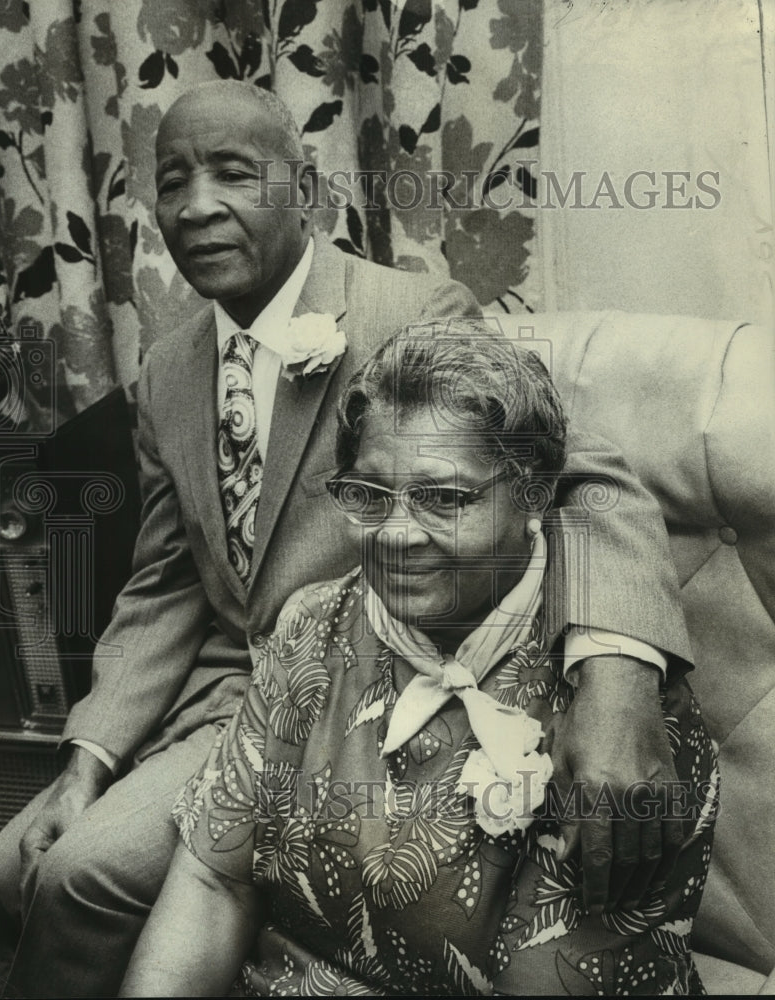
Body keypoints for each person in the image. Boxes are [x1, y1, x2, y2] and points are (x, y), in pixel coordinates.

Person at [0, 81, 693, 998]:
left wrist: (615, 680)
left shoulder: (414, 312)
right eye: (173, 182)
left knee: (81, 872)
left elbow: (586, 477)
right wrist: (88, 760)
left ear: (306, 189)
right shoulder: (167, 370)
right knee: (4, 866)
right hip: (220, 693)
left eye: (234, 173)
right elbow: (163, 585)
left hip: (343, 689)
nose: (198, 204)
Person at [121, 324, 717, 997]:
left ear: (534, 495)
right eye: (370, 497)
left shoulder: (623, 714)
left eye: (446, 499)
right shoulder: (311, 627)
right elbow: (213, 882)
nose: (397, 535)